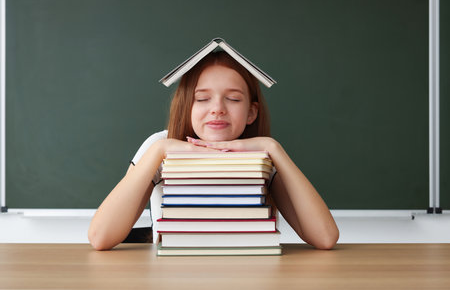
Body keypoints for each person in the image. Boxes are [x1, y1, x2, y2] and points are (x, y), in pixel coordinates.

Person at [88, 50, 339, 251]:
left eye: (233, 99)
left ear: (251, 112)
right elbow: (100, 238)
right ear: (187, 106)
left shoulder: (263, 156)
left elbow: (325, 238)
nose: (217, 108)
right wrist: (159, 150)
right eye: (202, 98)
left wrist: (274, 148)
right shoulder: (160, 144)